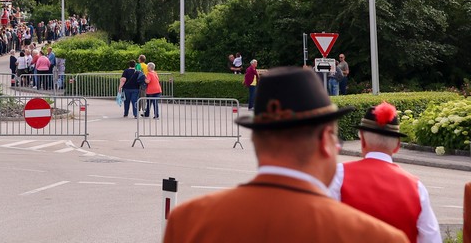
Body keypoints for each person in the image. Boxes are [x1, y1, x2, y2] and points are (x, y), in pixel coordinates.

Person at [163, 67, 407, 243]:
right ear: (324, 140)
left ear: (257, 140)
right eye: (336, 139)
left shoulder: (189, 221)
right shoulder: (376, 237)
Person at [329, 102, 441, 243]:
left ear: (362, 141)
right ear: (397, 145)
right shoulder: (417, 188)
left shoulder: (338, 175)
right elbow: (432, 238)